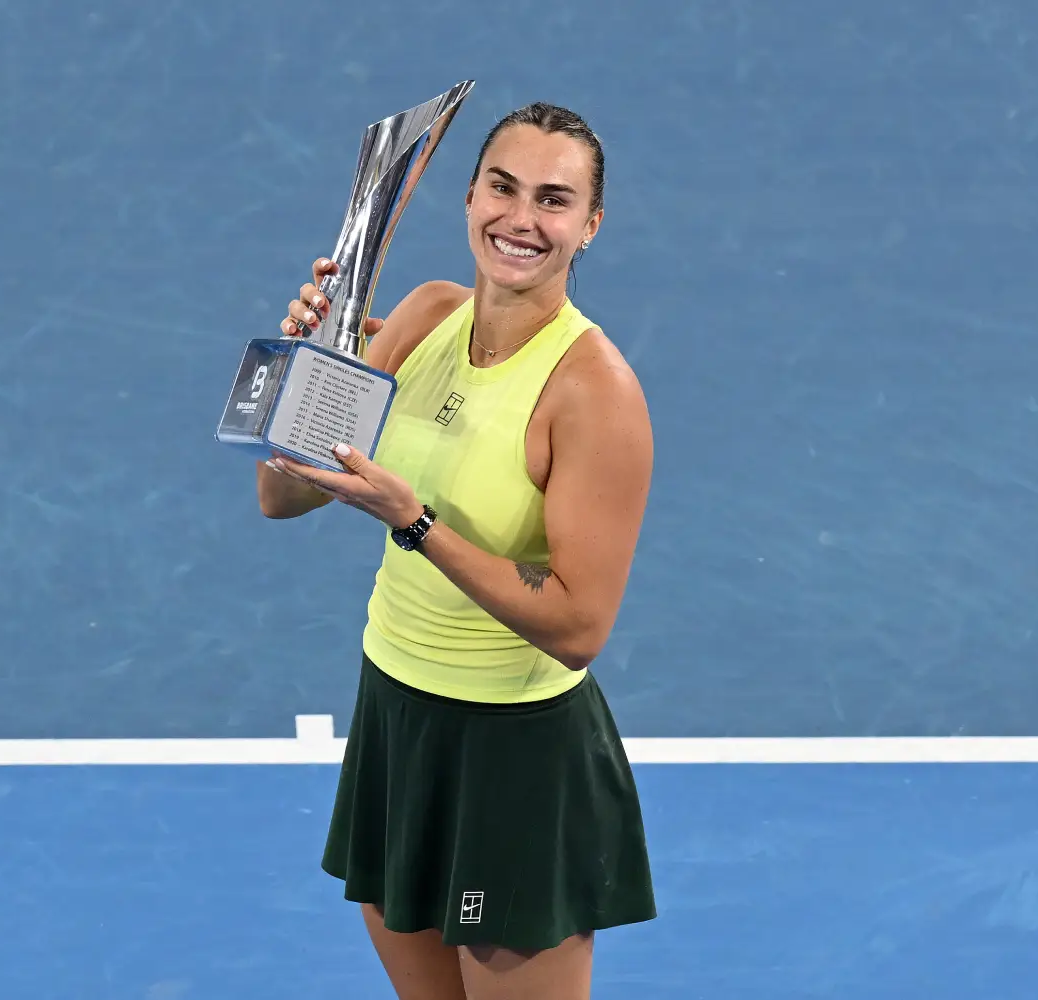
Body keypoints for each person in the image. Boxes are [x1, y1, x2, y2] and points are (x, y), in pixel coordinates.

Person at [256, 102, 656, 1000]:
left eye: (554, 200)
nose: (521, 219)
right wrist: (310, 369)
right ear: (469, 196)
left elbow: (579, 627)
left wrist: (418, 523)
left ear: (591, 225)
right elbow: (282, 497)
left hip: (514, 750)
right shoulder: (426, 315)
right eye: (503, 188)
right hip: (397, 715)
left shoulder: (594, 393)